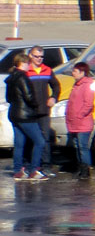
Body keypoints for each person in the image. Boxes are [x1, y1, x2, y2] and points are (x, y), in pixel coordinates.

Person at [7, 53, 47, 181]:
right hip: (25, 115)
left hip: (14, 114)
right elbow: (29, 96)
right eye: (28, 63)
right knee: (40, 141)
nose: (29, 66)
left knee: (19, 144)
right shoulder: (23, 77)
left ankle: (18, 170)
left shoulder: (11, 78)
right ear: (23, 63)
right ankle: (34, 170)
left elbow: (8, 98)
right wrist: (36, 106)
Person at [26, 45, 60, 175]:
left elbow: (56, 86)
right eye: (36, 56)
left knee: (45, 138)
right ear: (30, 55)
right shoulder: (26, 70)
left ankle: (46, 165)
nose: (39, 59)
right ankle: (31, 165)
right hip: (30, 112)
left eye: (41, 57)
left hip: (44, 111)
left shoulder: (47, 70)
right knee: (31, 139)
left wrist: (53, 97)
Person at [65, 61, 94, 180]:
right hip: (74, 122)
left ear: (82, 72)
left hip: (82, 122)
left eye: (75, 71)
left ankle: (85, 170)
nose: (73, 73)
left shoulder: (87, 85)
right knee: (77, 146)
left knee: (83, 147)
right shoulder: (76, 84)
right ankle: (80, 168)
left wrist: (79, 115)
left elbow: (88, 104)